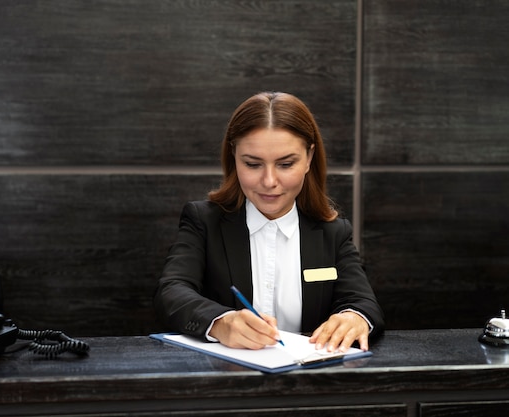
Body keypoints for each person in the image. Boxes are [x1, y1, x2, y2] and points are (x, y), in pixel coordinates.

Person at [153, 92, 384, 353]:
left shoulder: (333, 232)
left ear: (309, 158)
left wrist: (354, 317)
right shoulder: (203, 221)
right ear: (234, 156)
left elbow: (362, 302)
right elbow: (171, 292)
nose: (269, 181)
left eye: (286, 164)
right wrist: (220, 322)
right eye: (253, 164)